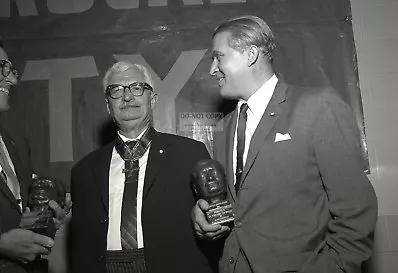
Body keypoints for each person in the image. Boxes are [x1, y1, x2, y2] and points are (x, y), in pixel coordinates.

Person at [191, 16, 378, 273]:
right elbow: (241, 211)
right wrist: (208, 220)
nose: (212, 69)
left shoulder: (316, 106)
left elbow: (356, 208)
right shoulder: (226, 127)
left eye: (218, 57)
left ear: (250, 54)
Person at [69, 61, 220, 273]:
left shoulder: (190, 154)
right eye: (116, 90)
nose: (127, 96)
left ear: (153, 99)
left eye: (137, 88)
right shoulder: (83, 171)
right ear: (107, 105)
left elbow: (212, 223)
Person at [0, 41, 70, 273]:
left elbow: (15, 221)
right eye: (3, 68)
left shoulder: (16, 144)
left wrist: (43, 223)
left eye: (11, 71)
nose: (12, 80)